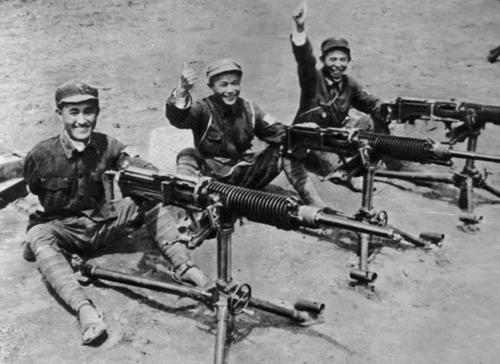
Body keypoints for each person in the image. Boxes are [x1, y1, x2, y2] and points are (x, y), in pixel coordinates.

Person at [22, 80, 208, 346]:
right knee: (39, 234)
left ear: (97, 113)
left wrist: (157, 176)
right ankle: (85, 311)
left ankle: (185, 266)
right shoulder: (40, 154)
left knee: (149, 201)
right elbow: (33, 190)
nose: (82, 121)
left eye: (89, 112)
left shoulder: (107, 144)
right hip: (65, 230)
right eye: (73, 113)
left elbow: (133, 162)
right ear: (59, 114)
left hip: (102, 222)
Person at [165, 58, 327, 207]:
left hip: (243, 177)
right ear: (212, 87)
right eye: (224, 85)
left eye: (235, 83)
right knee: (187, 154)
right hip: (213, 180)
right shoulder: (203, 109)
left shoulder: (250, 109)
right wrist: (181, 91)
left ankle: (315, 205)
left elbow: (278, 133)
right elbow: (179, 119)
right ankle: (183, 205)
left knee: (285, 149)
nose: (231, 90)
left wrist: (301, 133)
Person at [287, 1, 401, 191]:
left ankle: (386, 159)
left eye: (342, 60)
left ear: (348, 61)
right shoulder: (312, 80)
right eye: (332, 59)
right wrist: (300, 26)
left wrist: (386, 111)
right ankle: (349, 174)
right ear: (323, 60)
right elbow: (304, 58)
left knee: (373, 120)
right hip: (312, 141)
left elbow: (370, 102)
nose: (337, 65)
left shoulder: (350, 84)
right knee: (332, 167)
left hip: (337, 138)